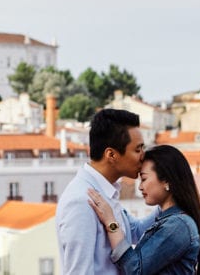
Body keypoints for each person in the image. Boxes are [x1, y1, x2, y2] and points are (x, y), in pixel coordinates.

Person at [56, 109, 155, 275]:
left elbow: (135, 231)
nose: (143, 157)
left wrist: (171, 199)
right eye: (137, 150)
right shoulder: (81, 201)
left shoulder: (105, 190)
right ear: (111, 155)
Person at [86, 145, 200, 275]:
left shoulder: (178, 225)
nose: (140, 187)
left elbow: (135, 269)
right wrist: (109, 199)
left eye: (144, 179)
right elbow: (134, 228)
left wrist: (111, 223)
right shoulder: (166, 217)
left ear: (166, 180)